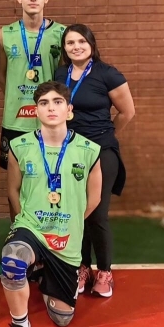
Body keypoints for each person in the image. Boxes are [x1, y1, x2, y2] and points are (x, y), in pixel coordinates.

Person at [0, 81, 102, 327]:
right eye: (44, 103)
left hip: (66, 237)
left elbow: (94, 198)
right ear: (36, 111)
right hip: (32, 227)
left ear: (69, 110)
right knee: (12, 258)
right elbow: (13, 191)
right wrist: (25, 221)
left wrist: (71, 221)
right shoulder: (20, 146)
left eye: (57, 102)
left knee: (62, 318)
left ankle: (44, 270)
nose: (51, 108)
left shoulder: (90, 150)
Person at [55, 24, 135, 297]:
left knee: (97, 213)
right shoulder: (61, 74)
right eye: (70, 43)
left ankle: (104, 271)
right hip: (71, 152)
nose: (76, 46)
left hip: (101, 151)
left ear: (91, 44)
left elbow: (127, 112)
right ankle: (82, 267)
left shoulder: (107, 74)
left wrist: (106, 136)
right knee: (77, 212)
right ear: (64, 48)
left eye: (81, 41)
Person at [0, 0, 65, 221]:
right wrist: (19, 96)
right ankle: (19, 232)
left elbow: (63, 77)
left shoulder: (61, 33)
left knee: (49, 178)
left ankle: (45, 230)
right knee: (16, 183)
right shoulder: (3, 35)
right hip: (15, 121)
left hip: (50, 122)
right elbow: (1, 75)